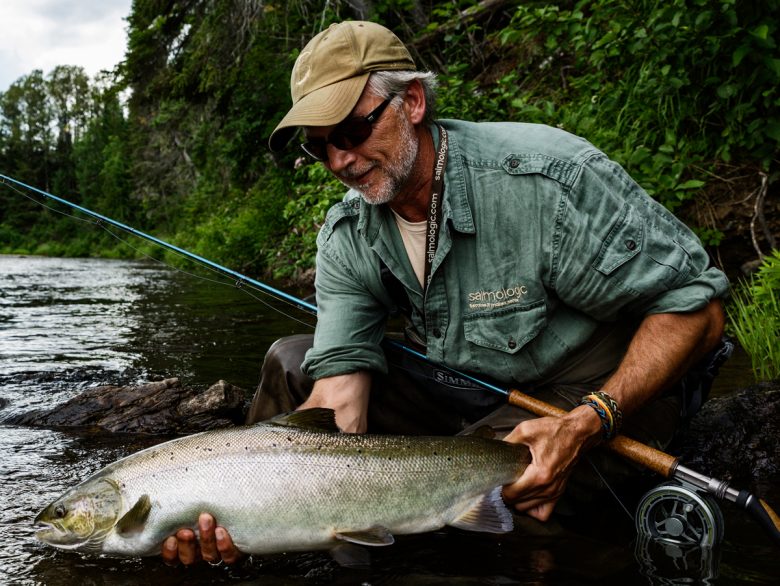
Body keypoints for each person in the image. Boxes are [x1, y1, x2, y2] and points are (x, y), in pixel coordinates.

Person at [161, 20, 729, 565]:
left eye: (354, 132)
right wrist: (252, 508)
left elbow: (696, 312)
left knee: (500, 510)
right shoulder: (348, 236)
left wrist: (589, 421)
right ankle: (337, 546)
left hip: (597, 385)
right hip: (471, 387)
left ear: (411, 103)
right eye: (320, 146)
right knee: (291, 363)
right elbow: (338, 402)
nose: (340, 161)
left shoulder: (544, 182)